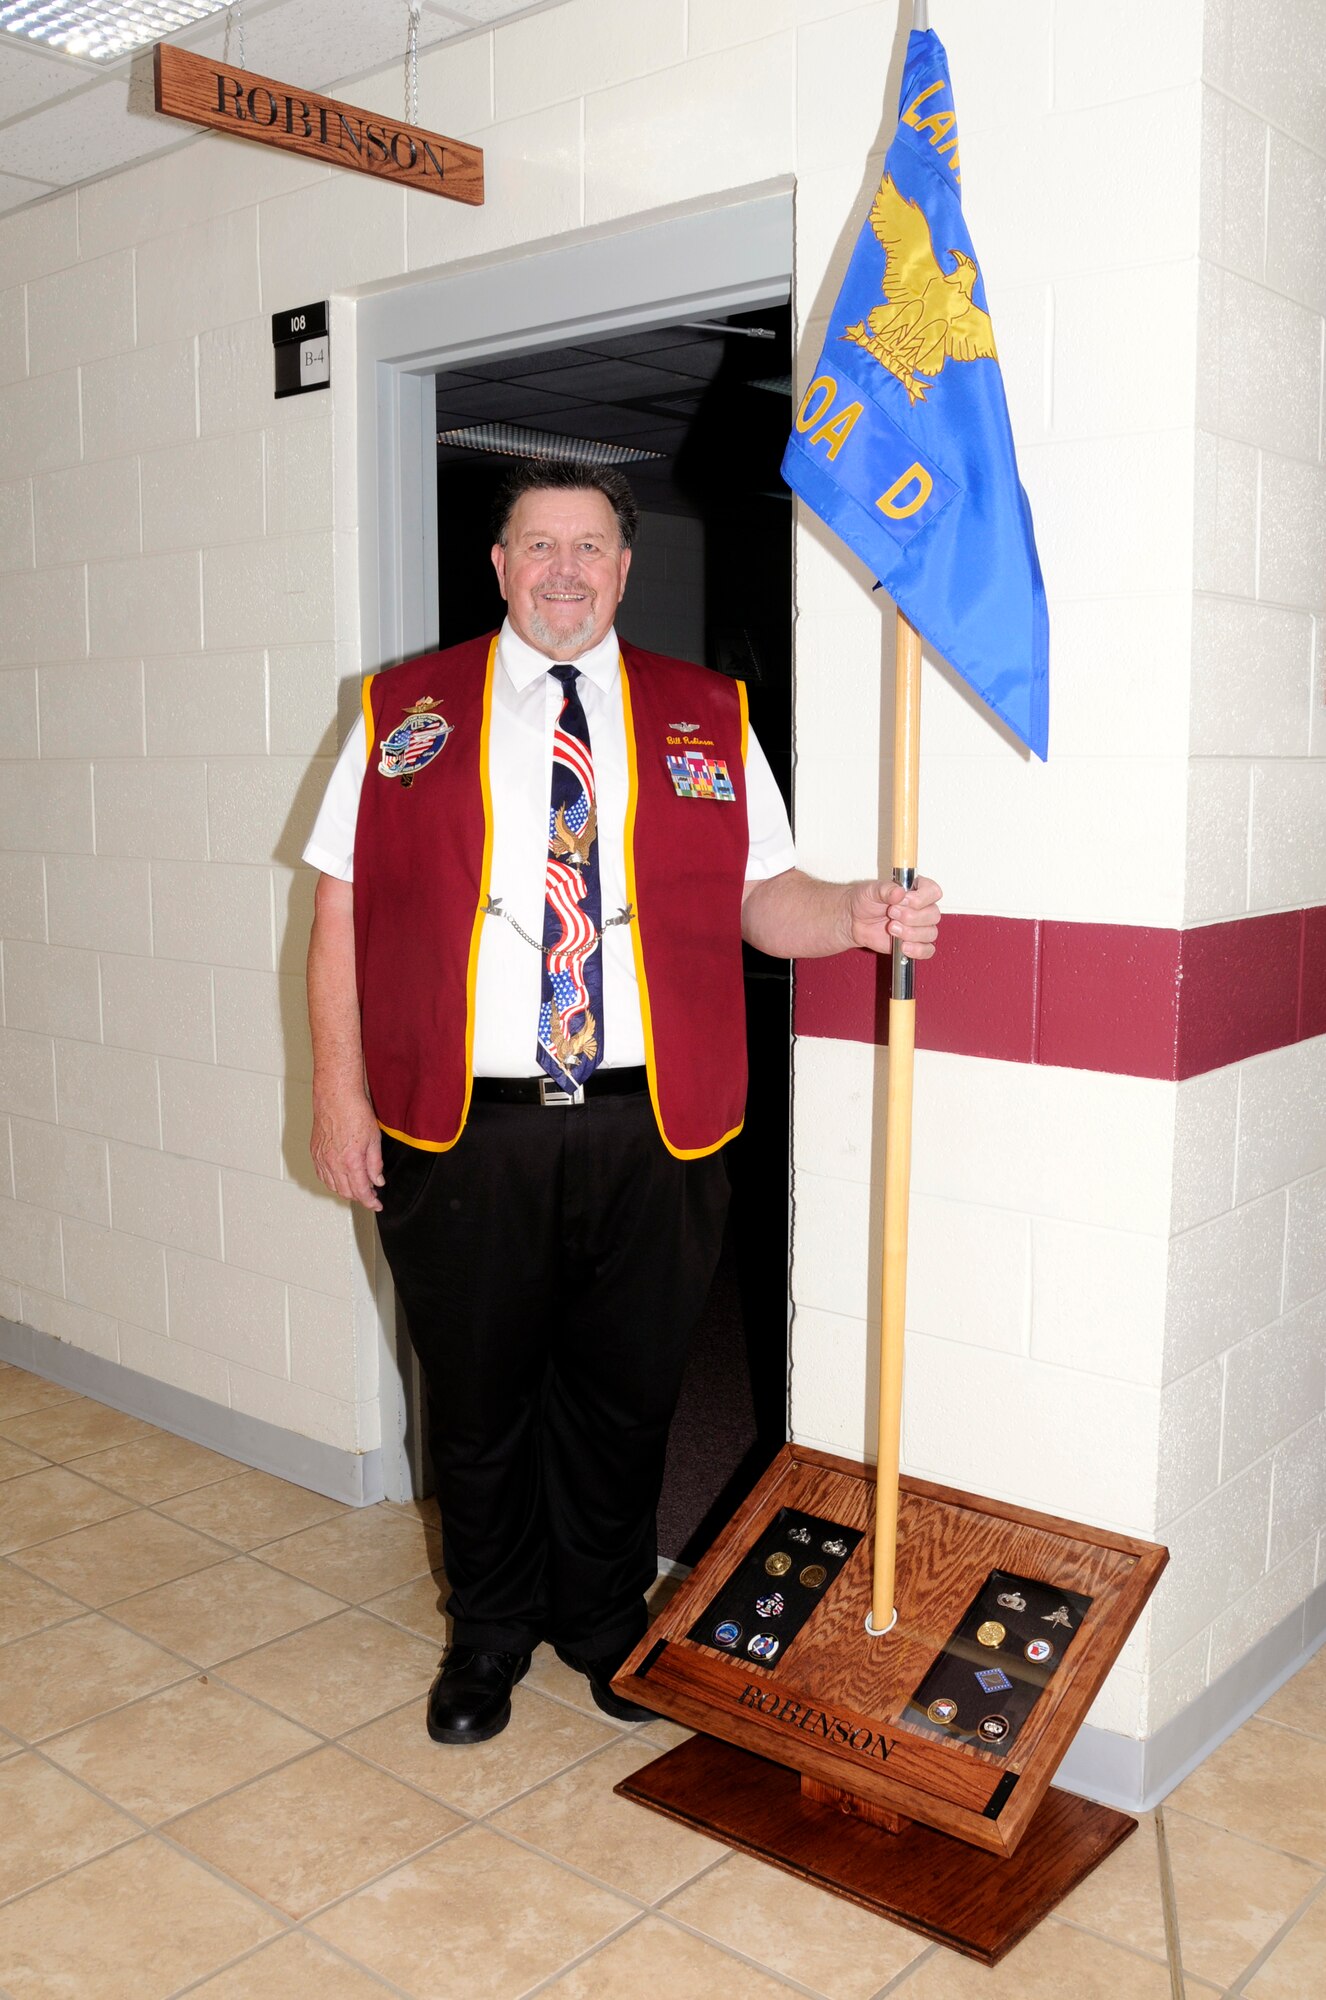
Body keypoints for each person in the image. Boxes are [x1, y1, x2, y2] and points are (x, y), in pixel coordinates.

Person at [304, 461, 941, 1745]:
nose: (562, 569)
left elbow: (765, 891)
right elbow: (337, 910)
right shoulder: (401, 712)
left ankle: (601, 1619)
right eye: (537, 543)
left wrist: (857, 915)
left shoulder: (707, 713)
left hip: (656, 1124)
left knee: (624, 1391)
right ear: (499, 564)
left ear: (624, 568)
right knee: (476, 1400)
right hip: (462, 1122)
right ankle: (486, 1632)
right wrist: (338, 1091)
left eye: (588, 546)